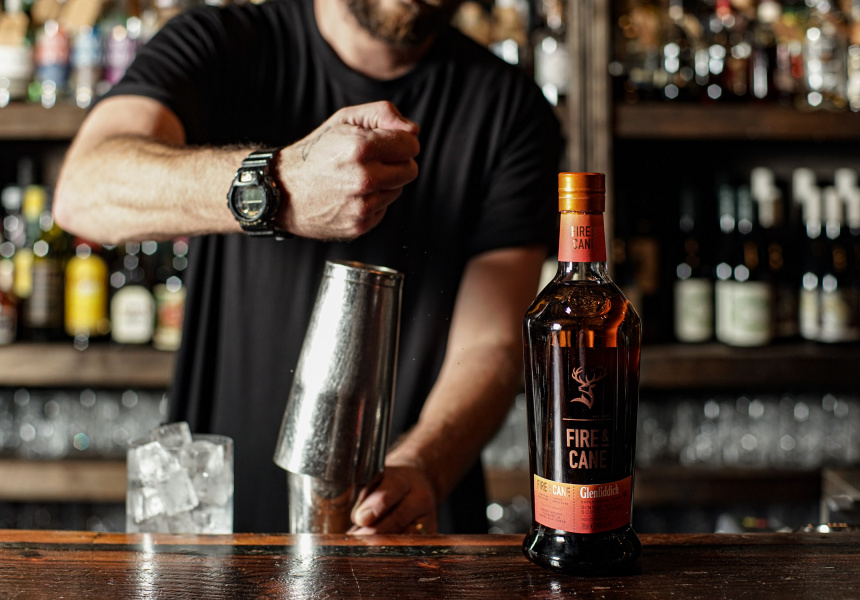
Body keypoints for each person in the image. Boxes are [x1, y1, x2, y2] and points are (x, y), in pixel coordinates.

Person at [53, 0, 562, 534]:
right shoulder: (222, 41)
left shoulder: (511, 107)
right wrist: (277, 185)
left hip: (403, 527)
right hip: (224, 526)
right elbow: (83, 190)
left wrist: (424, 464)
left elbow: (492, 343)